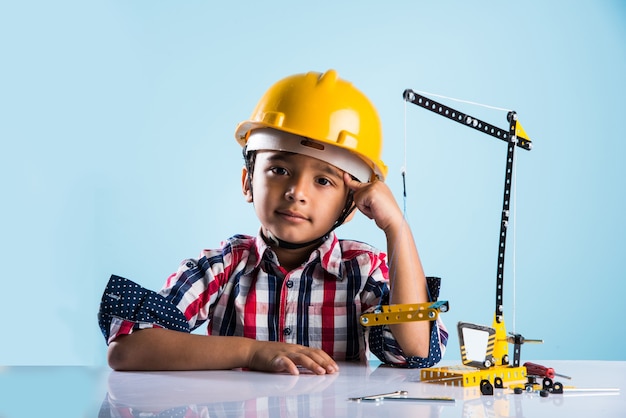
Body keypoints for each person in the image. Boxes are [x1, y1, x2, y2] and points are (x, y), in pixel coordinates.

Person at [98, 69, 448, 375]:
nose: (296, 192)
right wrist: (253, 352)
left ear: (352, 205)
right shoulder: (222, 267)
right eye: (279, 170)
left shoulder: (363, 270)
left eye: (323, 181)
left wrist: (397, 229)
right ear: (248, 182)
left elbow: (415, 349)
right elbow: (129, 348)